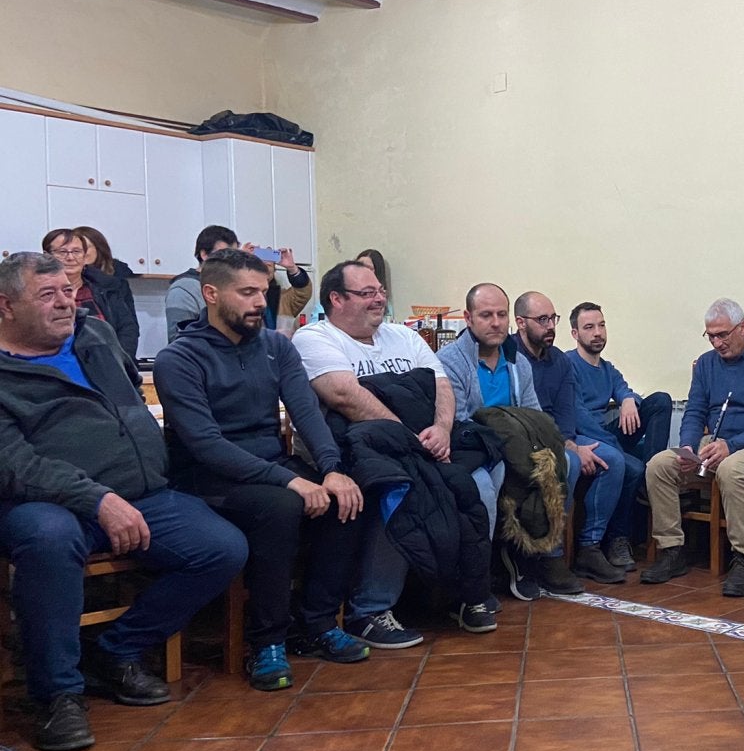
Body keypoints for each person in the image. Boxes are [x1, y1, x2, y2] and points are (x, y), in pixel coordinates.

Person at [0, 252, 246, 751]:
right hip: (43, 503)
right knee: (48, 539)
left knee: (222, 547)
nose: (66, 303)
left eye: (68, 290)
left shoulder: (95, 334)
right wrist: (99, 499)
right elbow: (15, 464)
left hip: (139, 491)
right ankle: (57, 695)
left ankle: (116, 651)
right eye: (47, 295)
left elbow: (131, 394)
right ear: (5, 306)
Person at [154, 248, 370, 691]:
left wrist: (330, 469)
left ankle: (317, 623)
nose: (259, 301)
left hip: (271, 466)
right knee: (279, 506)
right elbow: (207, 446)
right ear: (210, 294)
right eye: (247, 292)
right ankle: (267, 642)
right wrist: (291, 479)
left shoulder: (275, 346)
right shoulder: (179, 358)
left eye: (264, 291)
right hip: (206, 479)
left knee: (348, 495)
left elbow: (306, 413)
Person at [294, 260, 495, 644]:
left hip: (423, 444)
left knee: (483, 481)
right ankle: (369, 610)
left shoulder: (403, 337)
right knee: (401, 488)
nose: (379, 299)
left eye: (380, 292)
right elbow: (345, 396)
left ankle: (463, 593)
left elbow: (442, 386)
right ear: (336, 299)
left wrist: (442, 429)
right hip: (355, 453)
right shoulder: (316, 338)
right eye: (367, 293)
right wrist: (411, 438)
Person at [439, 284, 580, 597]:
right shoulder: (449, 362)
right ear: (468, 318)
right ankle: (485, 570)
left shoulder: (518, 363)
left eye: (501, 315)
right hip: (474, 451)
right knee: (490, 483)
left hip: (515, 445)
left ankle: (538, 553)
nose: (495, 322)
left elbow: (534, 416)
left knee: (566, 462)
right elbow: (457, 422)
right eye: (486, 315)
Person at [642, 298, 744, 596]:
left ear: (743, 327)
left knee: (732, 469)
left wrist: (732, 445)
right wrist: (687, 447)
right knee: (659, 465)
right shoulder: (707, 364)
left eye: (723, 334)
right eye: (711, 336)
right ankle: (672, 550)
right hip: (715, 443)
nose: (717, 343)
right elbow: (695, 411)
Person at [515, 291, 629, 585]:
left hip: (560, 435)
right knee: (570, 464)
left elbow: (567, 412)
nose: (549, 326)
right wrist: (570, 447)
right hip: (523, 435)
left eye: (552, 318)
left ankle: (589, 548)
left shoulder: (558, 362)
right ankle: (550, 556)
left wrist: (571, 443)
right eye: (542, 320)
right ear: (521, 323)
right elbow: (528, 412)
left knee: (614, 460)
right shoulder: (511, 356)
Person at [567, 301, 674, 570]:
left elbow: (624, 388)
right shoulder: (568, 365)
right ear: (575, 334)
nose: (597, 333)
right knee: (631, 465)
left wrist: (628, 399)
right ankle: (617, 538)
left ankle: (652, 475)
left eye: (601, 325)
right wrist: (614, 444)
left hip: (606, 434)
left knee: (661, 400)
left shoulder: (607, 368)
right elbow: (579, 417)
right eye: (589, 327)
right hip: (584, 436)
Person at [166, 225, 311, 340]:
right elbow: (179, 338)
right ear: (204, 254)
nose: (229, 259)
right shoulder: (184, 288)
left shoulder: (273, 295)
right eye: (224, 253)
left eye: (233, 253)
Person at [42, 228, 139, 361]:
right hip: (53, 369)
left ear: (84, 256)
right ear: (47, 256)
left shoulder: (107, 289)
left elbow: (127, 330)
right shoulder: (36, 293)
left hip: (105, 368)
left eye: (76, 252)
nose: (70, 257)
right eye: (62, 252)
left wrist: (121, 364)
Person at [356, 248, 395, 321]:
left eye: (368, 268)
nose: (362, 271)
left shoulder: (382, 300)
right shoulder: (348, 295)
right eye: (358, 266)